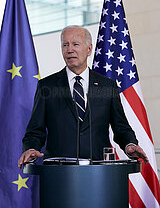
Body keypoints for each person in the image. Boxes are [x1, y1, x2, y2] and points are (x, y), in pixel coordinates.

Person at [18, 25, 148, 168]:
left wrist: (129, 145)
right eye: (65, 45)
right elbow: (35, 130)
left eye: (75, 44)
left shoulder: (107, 86)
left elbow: (121, 127)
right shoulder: (46, 86)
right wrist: (31, 148)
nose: (69, 50)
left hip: (99, 171)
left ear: (89, 49)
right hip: (59, 172)